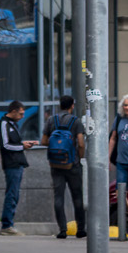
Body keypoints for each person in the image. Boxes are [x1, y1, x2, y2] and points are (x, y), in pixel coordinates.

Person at [46, 95, 87, 239]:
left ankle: (62, 229)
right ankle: (80, 229)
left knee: (58, 197)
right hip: (72, 164)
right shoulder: (76, 122)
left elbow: (44, 141)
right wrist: (80, 157)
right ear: (72, 106)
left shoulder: (51, 120)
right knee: (77, 197)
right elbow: (81, 143)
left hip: (55, 164)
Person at [0, 101, 38, 236]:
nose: (22, 116)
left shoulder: (13, 124)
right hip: (11, 164)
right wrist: (22, 146)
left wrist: (23, 144)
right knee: (12, 194)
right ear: (13, 111)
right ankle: (6, 225)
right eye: (20, 114)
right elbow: (5, 145)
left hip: (18, 163)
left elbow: (13, 143)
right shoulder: (3, 123)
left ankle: (9, 223)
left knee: (15, 194)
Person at [108, 95, 128, 227]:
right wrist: (107, 158)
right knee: (120, 191)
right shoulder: (119, 119)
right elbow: (113, 138)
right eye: (125, 105)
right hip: (121, 162)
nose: (127, 108)